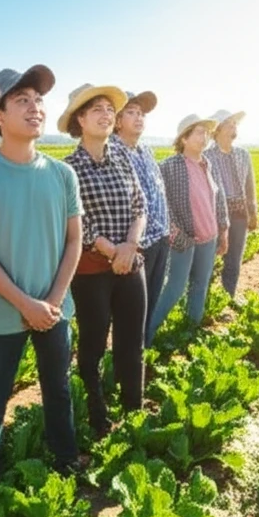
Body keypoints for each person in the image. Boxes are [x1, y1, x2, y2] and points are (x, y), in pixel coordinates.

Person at [0, 65, 83, 490]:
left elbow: (73, 243)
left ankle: (67, 464)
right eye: (22, 100)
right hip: (0, 312)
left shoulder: (63, 174)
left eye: (39, 100)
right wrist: (25, 304)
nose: (35, 108)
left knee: (58, 392)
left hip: (53, 308)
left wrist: (52, 301)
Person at [59, 84, 147, 439]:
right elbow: (78, 221)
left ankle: (134, 412)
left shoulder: (124, 157)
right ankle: (98, 417)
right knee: (93, 346)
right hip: (92, 272)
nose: (106, 115)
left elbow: (140, 205)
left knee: (131, 343)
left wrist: (130, 245)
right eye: (96, 109)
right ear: (80, 119)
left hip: (130, 265)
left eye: (110, 110)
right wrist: (114, 251)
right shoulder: (67, 168)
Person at [146, 114, 229, 343]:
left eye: (206, 133)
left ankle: (190, 332)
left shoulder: (208, 164)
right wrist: (174, 231)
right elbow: (160, 202)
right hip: (185, 237)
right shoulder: (171, 166)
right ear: (184, 139)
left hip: (209, 236)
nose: (205, 138)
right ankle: (148, 334)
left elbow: (218, 198)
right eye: (199, 133)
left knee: (200, 285)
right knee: (175, 287)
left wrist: (223, 230)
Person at [111, 91, 171, 347]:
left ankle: (142, 354)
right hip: (136, 246)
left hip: (160, 239)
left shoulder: (146, 150)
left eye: (142, 114)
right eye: (132, 113)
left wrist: (169, 225)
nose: (139, 118)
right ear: (117, 120)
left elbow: (158, 191)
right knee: (131, 313)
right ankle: (124, 367)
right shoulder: (111, 151)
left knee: (151, 303)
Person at [205, 109, 258, 298]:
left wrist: (253, 212)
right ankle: (204, 301)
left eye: (235, 123)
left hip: (239, 215)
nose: (234, 125)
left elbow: (249, 186)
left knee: (234, 260)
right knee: (208, 260)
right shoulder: (207, 156)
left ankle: (228, 297)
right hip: (214, 216)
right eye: (229, 123)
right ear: (217, 130)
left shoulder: (244, 155)